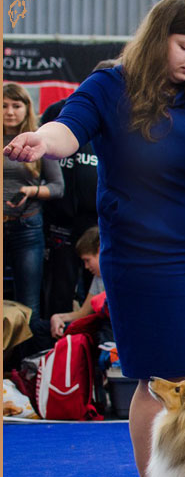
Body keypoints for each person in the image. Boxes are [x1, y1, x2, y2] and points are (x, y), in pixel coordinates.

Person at [4, 0, 185, 477]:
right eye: (184, 46)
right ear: (157, 36)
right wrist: (37, 140)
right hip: (143, 257)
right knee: (159, 379)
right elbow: (67, 131)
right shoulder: (111, 87)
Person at [38, 60, 116, 321]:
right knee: (59, 286)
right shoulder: (63, 110)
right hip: (61, 221)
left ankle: (93, 346)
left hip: (98, 221)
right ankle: (55, 348)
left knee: (98, 288)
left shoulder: (123, 115)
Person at [4, 82, 64, 325]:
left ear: (26, 108)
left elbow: (58, 187)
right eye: (4, 106)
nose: (9, 111)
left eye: (16, 106)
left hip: (27, 228)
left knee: (29, 304)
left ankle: (27, 362)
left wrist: (31, 190)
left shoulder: (37, 139)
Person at [48, 226, 105, 338]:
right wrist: (58, 317)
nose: (86, 266)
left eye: (87, 260)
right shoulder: (98, 277)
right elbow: (83, 313)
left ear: (99, 250)